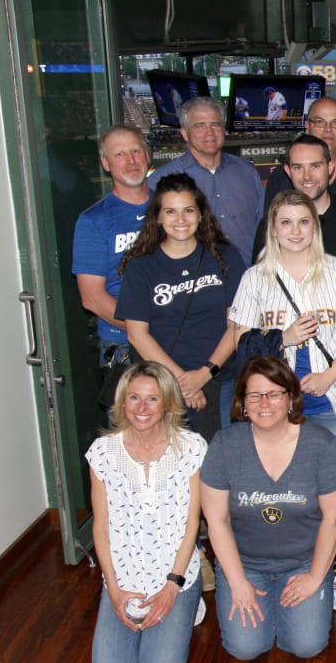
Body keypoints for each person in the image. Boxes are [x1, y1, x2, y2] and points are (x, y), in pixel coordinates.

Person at [200, 357, 336, 660]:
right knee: (245, 649)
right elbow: (216, 521)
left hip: (303, 561)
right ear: (242, 401)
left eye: (274, 393)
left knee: (305, 647)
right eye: (254, 395)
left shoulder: (321, 444)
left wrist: (315, 576)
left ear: (290, 398)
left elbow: (333, 518)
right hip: (246, 563)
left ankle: (299, 605)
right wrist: (238, 582)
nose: (264, 403)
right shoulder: (224, 444)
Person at [87, 362, 206, 663]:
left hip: (174, 575)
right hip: (123, 578)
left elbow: (192, 525)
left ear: (166, 402)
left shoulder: (191, 447)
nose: (142, 408)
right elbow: (101, 529)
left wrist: (172, 586)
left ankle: (190, 604)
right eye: (134, 398)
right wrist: (113, 588)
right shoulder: (103, 453)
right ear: (122, 402)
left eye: (152, 399)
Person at [231, 190, 336, 435]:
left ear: (315, 227)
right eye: (286, 223)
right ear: (273, 230)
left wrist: (327, 377)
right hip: (275, 407)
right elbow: (240, 341)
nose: (296, 231)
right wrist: (283, 339)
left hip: (334, 399)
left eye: (304, 222)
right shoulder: (254, 278)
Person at [116, 173, 244, 441]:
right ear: (159, 218)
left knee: (216, 468)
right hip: (162, 386)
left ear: (200, 215)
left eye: (188, 210)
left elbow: (237, 325)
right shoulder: (142, 266)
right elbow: (136, 334)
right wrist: (183, 383)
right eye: (171, 211)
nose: (181, 219)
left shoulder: (226, 257)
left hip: (220, 381)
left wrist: (205, 373)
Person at [147, 96, 264, 268]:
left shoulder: (247, 171)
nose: (209, 132)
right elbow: (153, 239)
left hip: (248, 282)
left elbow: (263, 229)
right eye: (199, 125)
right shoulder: (161, 181)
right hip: (193, 286)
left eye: (215, 125)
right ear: (184, 133)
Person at [72, 124, 150, 369]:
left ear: (148, 156)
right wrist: (150, 330)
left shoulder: (173, 209)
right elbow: (92, 298)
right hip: (125, 346)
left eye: (136, 151)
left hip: (179, 339)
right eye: (120, 154)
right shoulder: (93, 221)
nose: (131, 160)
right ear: (106, 164)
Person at [252, 135, 336, 274]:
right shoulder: (272, 223)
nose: (307, 176)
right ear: (288, 171)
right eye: (298, 167)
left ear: (330, 168)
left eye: (315, 166)